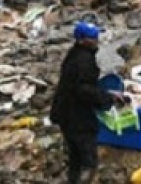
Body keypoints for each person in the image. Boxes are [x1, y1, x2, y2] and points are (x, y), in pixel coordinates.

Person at [50, 22, 122, 184]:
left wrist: (106, 93)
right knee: (88, 160)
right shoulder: (84, 61)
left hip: (64, 111)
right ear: (82, 40)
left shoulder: (75, 54)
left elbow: (79, 85)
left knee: (75, 156)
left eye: (96, 35)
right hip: (77, 117)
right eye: (92, 37)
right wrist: (106, 99)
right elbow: (84, 90)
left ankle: (73, 179)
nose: (96, 39)